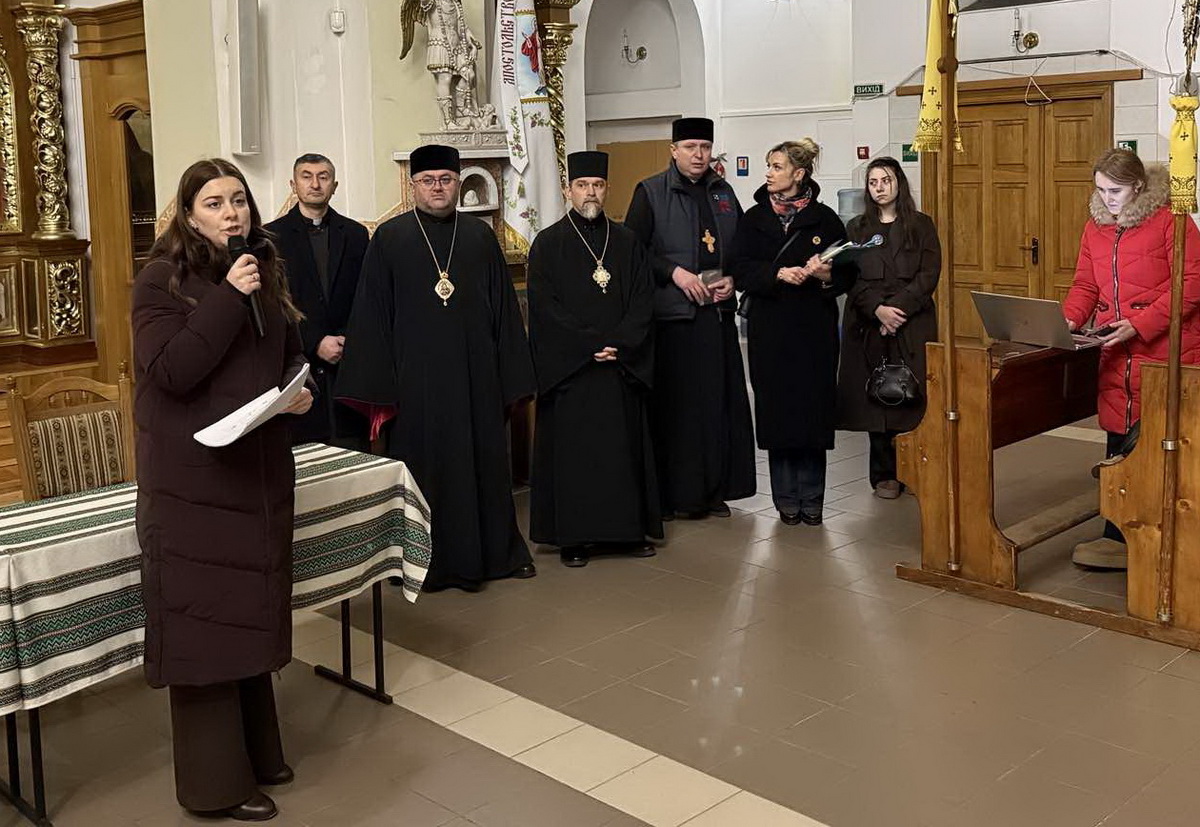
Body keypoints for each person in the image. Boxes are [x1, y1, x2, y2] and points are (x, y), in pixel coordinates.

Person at [132, 158, 312, 821]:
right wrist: (229, 298)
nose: (232, 212)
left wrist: (299, 389)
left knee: (249, 613)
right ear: (187, 214)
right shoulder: (159, 281)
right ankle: (215, 785)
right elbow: (173, 371)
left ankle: (258, 753)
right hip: (193, 486)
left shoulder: (260, 269)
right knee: (206, 626)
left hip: (256, 473)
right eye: (214, 202)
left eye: (239, 199)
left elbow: (288, 351)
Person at [335, 144, 537, 591]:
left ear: (458, 183)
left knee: (483, 465)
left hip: (475, 377)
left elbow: (504, 312)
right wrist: (382, 385)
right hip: (416, 382)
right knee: (423, 469)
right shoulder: (390, 238)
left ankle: (497, 554)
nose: (437, 188)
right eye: (428, 181)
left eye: (446, 180)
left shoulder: (480, 237)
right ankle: (422, 561)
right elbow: (372, 315)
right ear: (414, 186)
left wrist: (510, 376)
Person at [1063, 148, 1200, 570]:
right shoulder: (1095, 227)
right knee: (1118, 437)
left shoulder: (1172, 219)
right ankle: (1118, 533)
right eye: (1101, 190)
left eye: (1115, 191)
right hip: (1115, 353)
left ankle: (1160, 534)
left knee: (1158, 439)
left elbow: (1192, 284)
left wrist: (1140, 325)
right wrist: (1068, 320)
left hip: (1165, 350)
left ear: (1138, 186)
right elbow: (1086, 285)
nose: (1107, 199)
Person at [527, 151, 663, 567]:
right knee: (577, 457)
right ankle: (575, 537)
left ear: (607, 189)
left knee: (623, 453)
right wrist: (589, 344)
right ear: (568, 190)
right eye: (583, 185)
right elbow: (545, 307)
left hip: (620, 366)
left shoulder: (626, 241)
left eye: (598, 185)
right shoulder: (548, 243)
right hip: (573, 371)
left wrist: (619, 342)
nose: (591, 192)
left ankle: (627, 532)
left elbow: (643, 299)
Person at [625, 117, 756, 520]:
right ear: (674, 150)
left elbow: (740, 248)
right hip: (673, 319)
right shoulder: (650, 191)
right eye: (690, 147)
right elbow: (633, 251)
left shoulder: (723, 192)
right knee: (677, 410)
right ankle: (672, 496)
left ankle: (713, 491)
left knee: (716, 407)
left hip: (716, 316)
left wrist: (732, 277)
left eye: (705, 147)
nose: (699, 155)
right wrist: (675, 274)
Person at [729, 140, 856, 525]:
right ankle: (785, 498)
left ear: (798, 174)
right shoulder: (753, 219)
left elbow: (848, 273)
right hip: (770, 331)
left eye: (777, 166)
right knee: (777, 412)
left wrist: (826, 274)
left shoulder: (825, 219)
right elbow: (739, 268)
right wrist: (777, 274)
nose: (769, 173)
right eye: (769, 165)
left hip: (813, 333)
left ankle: (813, 498)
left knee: (813, 413)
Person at [836, 157, 941, 499]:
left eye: (886, 180)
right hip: (869, 325)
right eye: (873, 182)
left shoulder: (921, 225)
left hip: (911, 323)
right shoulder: (856, 229)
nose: (879, 188)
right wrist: (879, 311)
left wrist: (898, 311)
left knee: (912, 398)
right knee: (877, 399)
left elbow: (929, 273)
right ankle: (884, 475)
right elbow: (850, 277)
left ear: (899, 184)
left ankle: (913, 470)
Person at [266, 153, 370, 450]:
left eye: (323, 177)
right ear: (293, 185)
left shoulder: (356, 234)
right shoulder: (271, 237)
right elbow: (273, 304)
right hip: (299, 368)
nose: (315, 184)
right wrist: (314, 342)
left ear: (334, 186)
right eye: (306, 176)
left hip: (349, 366)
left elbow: (367, 296)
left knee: (354, 454)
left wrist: (348, 338)